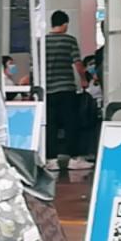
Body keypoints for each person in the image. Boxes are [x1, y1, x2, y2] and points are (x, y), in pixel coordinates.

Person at [43, 10, 86, 170]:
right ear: (65, 24)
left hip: (48, 90)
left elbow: (35, 65)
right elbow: (78, 63)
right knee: (71, 124)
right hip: (66, 89)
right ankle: (74, 159)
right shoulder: (69, 40)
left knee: (50, 125)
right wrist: (83, 80)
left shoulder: (42, 42)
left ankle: (51, 160)